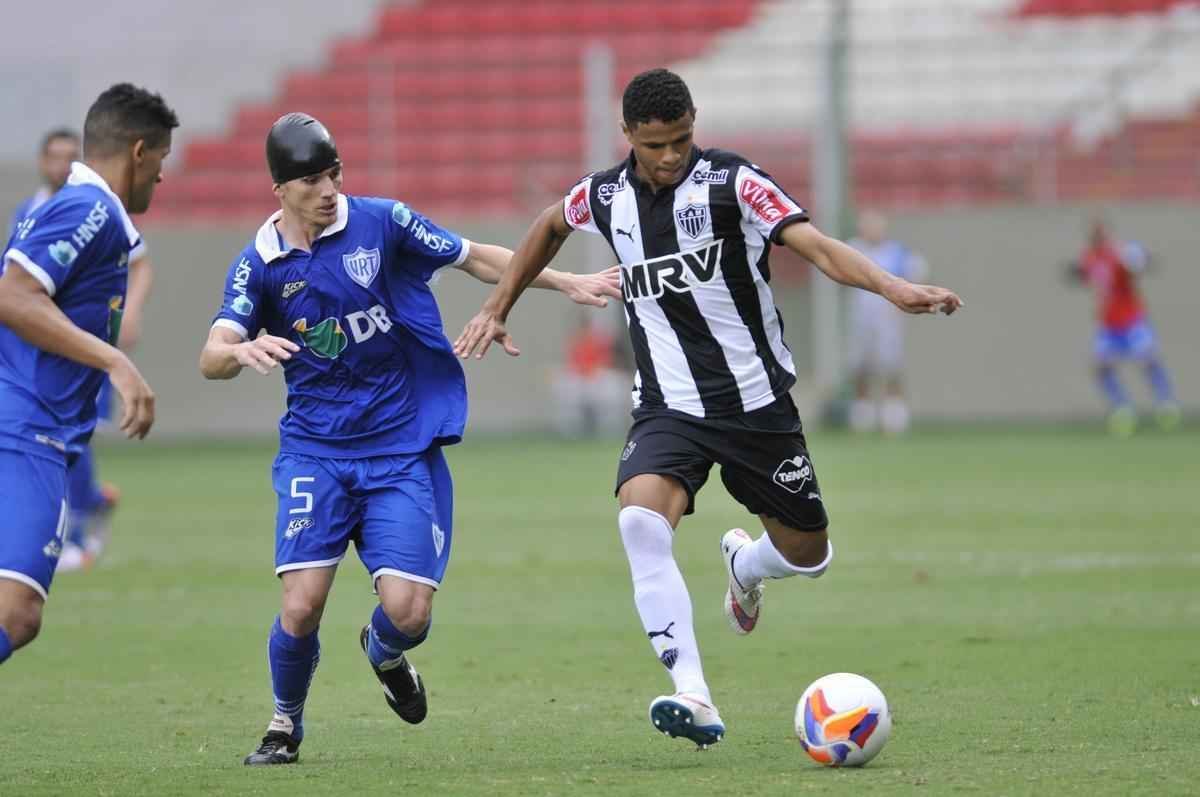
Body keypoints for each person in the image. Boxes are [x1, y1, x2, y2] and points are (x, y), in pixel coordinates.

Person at [454, 68, 962, 748]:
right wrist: (496, 304)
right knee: (639, 519)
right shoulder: (605, 195)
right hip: (668, 405)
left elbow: (814, 245)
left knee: (808, 553)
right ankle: (692, 692)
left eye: (683, 139)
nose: (671, 156)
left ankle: (746, 568)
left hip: (756, 405)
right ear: (628, 134)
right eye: (656, 144)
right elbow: (549, 225)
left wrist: (890, 287)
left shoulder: (733, 182)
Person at [198, 113, 620, 766]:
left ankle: (384, 650)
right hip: (317, 451)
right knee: (302, 602)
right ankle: (284, 722)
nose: (329, 187)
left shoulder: (383, 223)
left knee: (410, 613)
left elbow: (476, 255)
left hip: (398, 451)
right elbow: (212, 354)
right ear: (280, 187)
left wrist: (566, 282)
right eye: (312, 178)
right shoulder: (259, 264)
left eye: (334, 171)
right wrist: (243, 346)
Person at [0, 83, 175, 665]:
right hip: (24, 430)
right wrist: (116, 361)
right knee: (16, 613)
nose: (161, 178)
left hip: (31, 428)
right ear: (139, 152)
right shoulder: (89, 209)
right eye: (162, 161)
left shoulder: (87, 211)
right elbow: (14, 297)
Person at [9, 128, 158, 570]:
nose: (60, 164)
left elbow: (141, 263)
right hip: (40, 354)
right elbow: (18, 289)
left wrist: (130, 313)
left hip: (80, 350)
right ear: (41, 161)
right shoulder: (34, 209)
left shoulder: (97, 208)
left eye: (68, 156)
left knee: (72, 430)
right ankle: (88, 503)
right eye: (52, 156)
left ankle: (74, 531)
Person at [1070, 217, 1178, 436]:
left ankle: (1165, 404)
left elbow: (1141, 262)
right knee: (1100, 367)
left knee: (1148, 359)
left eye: (1100, 231)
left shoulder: (1119, 253)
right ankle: (1123, 408)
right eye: (1094, 232)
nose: (1097, 236)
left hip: (1131, 319)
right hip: (1109, 324)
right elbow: (1085, 274)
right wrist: (1075, 273)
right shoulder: (1090, 257)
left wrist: (1142, 261)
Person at [846, 211, 929, 434]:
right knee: (860, 367)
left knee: (891, 365)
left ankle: (895, 415)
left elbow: (917, 273)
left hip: (887, 320)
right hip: (860, 319)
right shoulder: (853, 249)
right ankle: (862, 415)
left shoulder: (897, 252)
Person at [552, 312, 628, 437]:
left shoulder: (601, 340)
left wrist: (594, 371)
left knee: (612, 386)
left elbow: (607, 361)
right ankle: (571, 432)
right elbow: (574, 364)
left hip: (597, 379)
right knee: (566, 386)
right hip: (582, 380)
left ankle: (610, 431)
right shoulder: (576, 341)